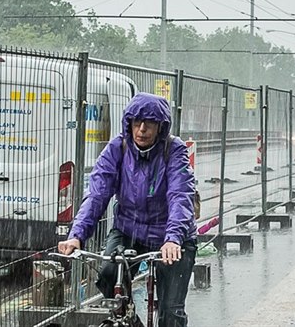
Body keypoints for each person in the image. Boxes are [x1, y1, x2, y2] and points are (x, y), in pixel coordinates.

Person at [57, 93, 197, 327]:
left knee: (171, 310)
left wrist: (173, 239)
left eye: (149, 123)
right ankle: (129, 317)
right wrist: (77, 235)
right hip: (128, 229)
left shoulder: (174, 151)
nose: (142, 129)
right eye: (136, 122)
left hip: (171, 234)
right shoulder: (117, 149)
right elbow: (97, 194)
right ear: (128, 123)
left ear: (161, 127)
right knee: (109, 275)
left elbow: (180, 196)